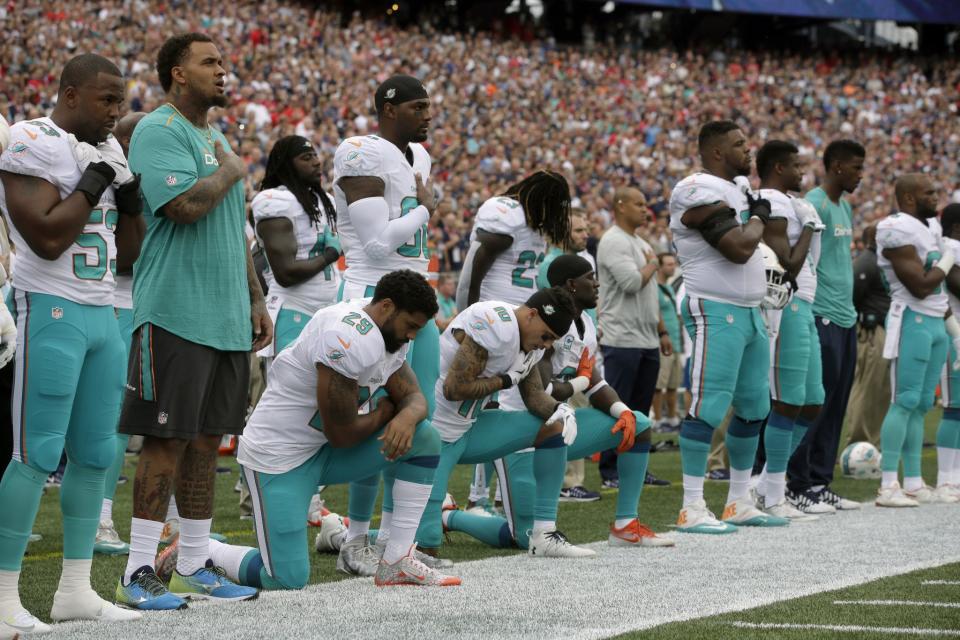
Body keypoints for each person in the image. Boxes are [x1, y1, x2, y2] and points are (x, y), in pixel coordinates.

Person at [172, 270, 459, 588]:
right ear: (387, 307)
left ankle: (396, 560)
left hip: (326, 451)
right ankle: (201, 551)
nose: (413, 337)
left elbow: (416, 399)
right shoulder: (347, 335)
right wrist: (384, 415)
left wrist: (405, 417)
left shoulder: (384, 323)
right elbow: (342, 433)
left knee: (425, 436)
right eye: (411, 327)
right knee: (285, 579)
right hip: (281, 458)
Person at [116, 33, 271, 610]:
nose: (223, 71)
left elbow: (233, 232)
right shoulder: (160, 129)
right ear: (178, 74)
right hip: (175, 312)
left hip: (227, 314)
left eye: (224, 62)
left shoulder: (216, 136)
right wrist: (231, 171)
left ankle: (195, 562)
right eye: (210, 63)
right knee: (165, 441)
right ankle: (137, 570)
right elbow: (180, 207)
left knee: (207, 443)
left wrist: (254, 298)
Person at [0, 53, 142, 631]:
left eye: (121, 102)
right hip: (50, 310)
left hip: (104, 315)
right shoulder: (33, 138)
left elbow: (130, 255)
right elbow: (48, 237)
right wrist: (96, 180)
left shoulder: (109, 151)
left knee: (96, 454)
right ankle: (4, 594)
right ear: (69, 94)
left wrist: (128, 197)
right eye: (105, 100)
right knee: (35, 452)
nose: (115, 113)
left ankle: (75, 590)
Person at [445, 255, 673, 549]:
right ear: (571, 285)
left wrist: (620, 410)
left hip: (556, 425)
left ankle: (625, 525)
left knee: (637, 423)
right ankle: (451, 518)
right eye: (590, 277)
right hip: (521, 432)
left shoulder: (586, 324)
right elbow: (543, 392)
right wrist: (578, 382)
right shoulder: (543, 324)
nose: (597, 283)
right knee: (523, 536)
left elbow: (595, 380)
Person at [668, 120, 786, 533]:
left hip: (750, 310)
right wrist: (755, 218)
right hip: (715, 307)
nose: (748, 149)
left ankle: (738, 500)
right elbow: (736, 247)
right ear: (716, 152)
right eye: (738, 144)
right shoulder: (695, 187)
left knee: (755, 408)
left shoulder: (734, 190)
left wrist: (753, 215)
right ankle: (692, 506)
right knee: (708, 405)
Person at [416, 287, 595, 558]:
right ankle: (344, 535)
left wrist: (559, 409)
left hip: (472, 427)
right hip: (436, 434)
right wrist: (505, 380)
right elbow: (455, 388)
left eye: (552, 341)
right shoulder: (495, 324)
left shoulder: (529, 340)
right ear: (532, 315)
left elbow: (534, 396)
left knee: (552, 426)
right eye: (546, 337)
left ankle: (543, 532)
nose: (546, 345)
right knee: (424, 546)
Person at [454, 170, 572, 512]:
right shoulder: (506, 213)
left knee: (511, 409)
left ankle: (499, 495)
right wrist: (469, 318)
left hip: (524, 326)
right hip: (494, 322)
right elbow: (471, 271)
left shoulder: (531, 224)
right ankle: (478, 496)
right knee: (493, 410)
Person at [787, 140, 865, 512]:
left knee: (835, 405)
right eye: (855, 168)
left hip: (846, 316)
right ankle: (797, 484)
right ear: (835, 166)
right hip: (821, 314)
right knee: (814, 402)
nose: (860, 175)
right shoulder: (815, 203)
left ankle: (820, 482)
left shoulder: (844, 206)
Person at [751, 140, 827, 520]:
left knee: (813, 400)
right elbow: (787, 265)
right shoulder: (773, 200)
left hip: (805, 305)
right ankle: (774, 491)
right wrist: (810, 227)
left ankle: (766, 483)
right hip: (786, 304)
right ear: (779, 168)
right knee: (788, 400)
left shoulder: (788, 201)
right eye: (796, 166)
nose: (802, 172)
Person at [875, 174, 958, 507]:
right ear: (908, 198)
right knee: (905, 400)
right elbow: (921, 285)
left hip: (937, 321)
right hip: (911, 318)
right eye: (929, 193)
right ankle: (887, 485)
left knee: (922, 404)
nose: (935, 198)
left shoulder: (932, 229)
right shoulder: (895, 227)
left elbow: (936, 293)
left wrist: (955, 333)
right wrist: (949, 258)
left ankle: (912, 480)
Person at [95, 111, 148, 556]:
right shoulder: (116, 177)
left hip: (152, 308)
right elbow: (126, 257)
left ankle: (167, 521)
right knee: (114, 417)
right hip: (118, 303)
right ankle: (100, 518)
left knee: (164, 420)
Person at [596, 187, 673, 488]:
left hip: (646, 339)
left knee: (641, 412)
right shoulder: (613, 240)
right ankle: (610, 471)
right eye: (638, 204)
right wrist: (654, 263)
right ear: (620, 206)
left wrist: (662, 330)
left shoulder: (641, 242)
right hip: (621, 338)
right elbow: (630, 282)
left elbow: (651, 295)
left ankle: (637, 468)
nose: (645, 209)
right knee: (618, 408)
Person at [253, 135, 341, 361]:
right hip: (295, 310)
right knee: (289, 393)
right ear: (287, 165)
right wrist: (330, 255)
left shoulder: (325, 201)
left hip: (330, 310)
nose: (317, 161)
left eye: (315, 155)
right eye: (306, 157)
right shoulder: (275, 201)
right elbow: (286, 273)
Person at [538, 209, 600, 502]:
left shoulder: (584, 260)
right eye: (578, 230)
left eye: (586, 229)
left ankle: (569, 478)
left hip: (582, 341)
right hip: (561, 350)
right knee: (563, 408)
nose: (584, 235)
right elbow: (549, 311)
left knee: (574, 407)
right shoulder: (552, 265)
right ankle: (566, 481)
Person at [845, 224, 891, 448]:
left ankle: (873, 439)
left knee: (880, 390)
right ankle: (859, 442)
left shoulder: (879, 261)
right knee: (867, 388)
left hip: (882, 330)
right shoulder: (866, 262)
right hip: (871, 332)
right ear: (873, 239)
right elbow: (852, 296)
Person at [937, 204, 960, 499]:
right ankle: (945, 477)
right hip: (953, 331)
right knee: (954, 407)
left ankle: (953, 474)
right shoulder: (949, 246)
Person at [652, 252, 683, 432]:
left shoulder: (669, 287)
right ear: (660, 267)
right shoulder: (654, 288)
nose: (673, 267)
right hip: (662, 344)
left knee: (673, 384)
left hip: (676, 343)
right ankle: (657, 420)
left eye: (674, 264)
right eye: (669, 264)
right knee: (659, 385)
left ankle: (671, 418)